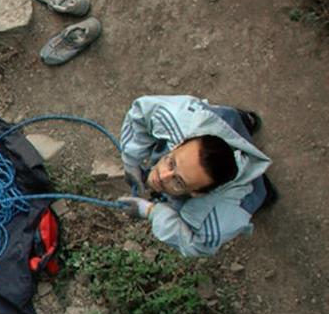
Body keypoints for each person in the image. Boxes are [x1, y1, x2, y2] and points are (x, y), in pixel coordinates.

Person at [117, 94, 273, 257]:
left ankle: (263, 190)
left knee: (257, 190)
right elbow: (141, 114)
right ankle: (245, 120)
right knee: (230, 119)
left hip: (240, 192)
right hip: (223, 121)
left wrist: (152, 212)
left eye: (178, 181)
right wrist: (131, 161)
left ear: (199, 193)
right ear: (179, 144)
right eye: (171, 163)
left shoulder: (221, 218)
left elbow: (197, 246)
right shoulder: (176, 117)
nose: (162, 176)